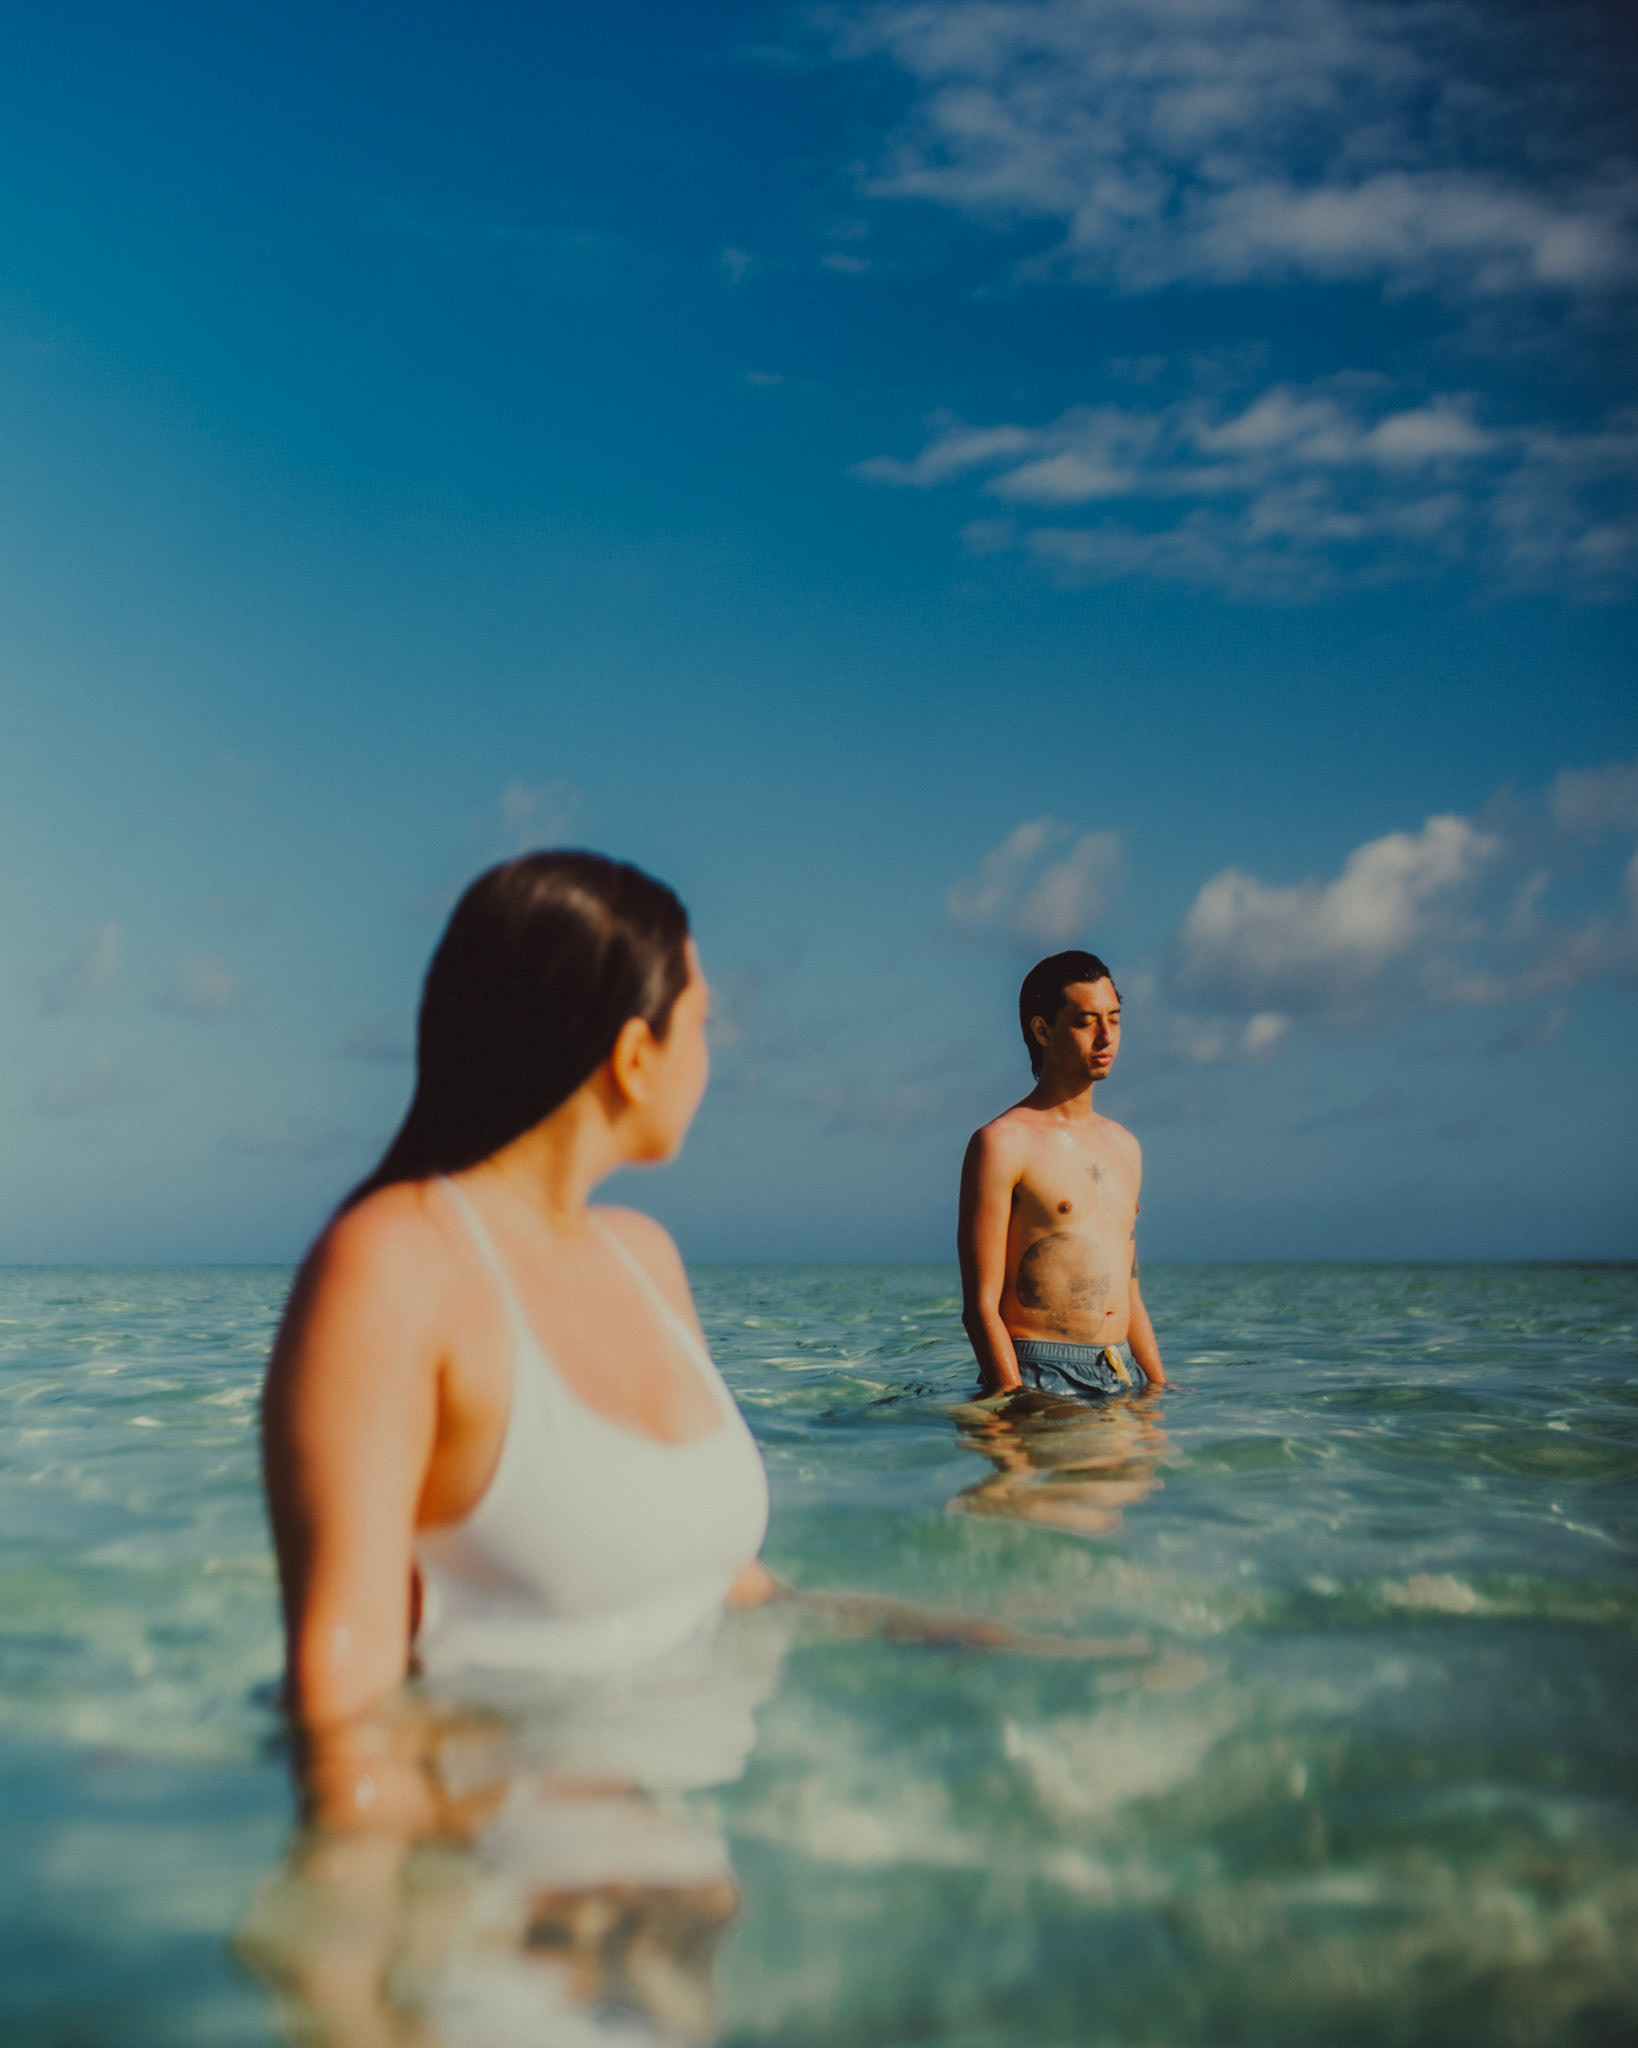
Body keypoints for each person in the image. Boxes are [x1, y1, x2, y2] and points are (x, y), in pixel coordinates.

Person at [261, 850, 778, 1750]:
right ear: (634, 1057)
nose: (714, 1055)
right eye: (701, 1025)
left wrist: (947, 1637)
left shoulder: (643, 1259)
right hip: (507, 1877)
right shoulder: (395, 1266)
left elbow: (723, 1579)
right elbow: (343, 1682)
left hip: (692, 1858)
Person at [957, 950, 1167, 1401]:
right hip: (1039, 1375)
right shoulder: (1001, 1143)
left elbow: (1130, 1294)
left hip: (1121, 1371)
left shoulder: (1126, 1146)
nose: (1106, 1036)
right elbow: (980, 1308)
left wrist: (1159, 1388)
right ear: (1042, 1030)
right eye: (1086, 1021)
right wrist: (1013, 1398)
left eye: (1114, 1018)